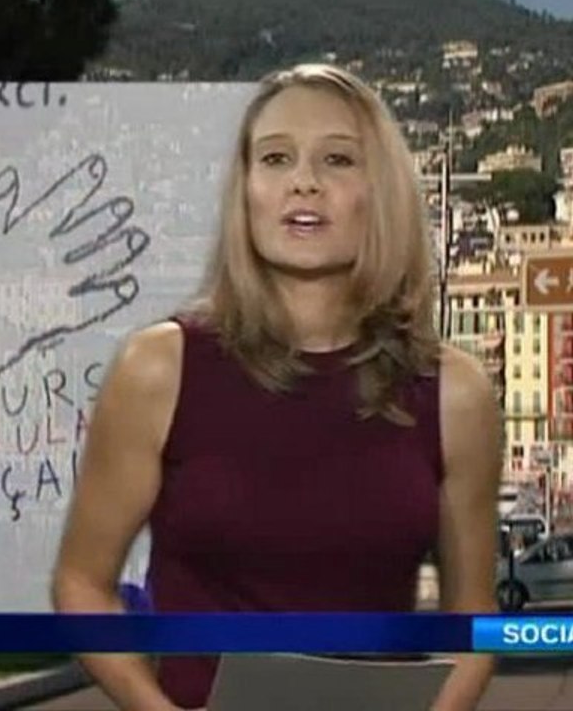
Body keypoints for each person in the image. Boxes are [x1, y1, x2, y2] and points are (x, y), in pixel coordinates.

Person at [50, 63, 501, 711]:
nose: (305, 183)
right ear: (247, 191)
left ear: (381, 193)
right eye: (276, 158)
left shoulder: (453, 394)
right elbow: (81, 582)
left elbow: (473, 617)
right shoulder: (157, 371)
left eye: (338, 160)